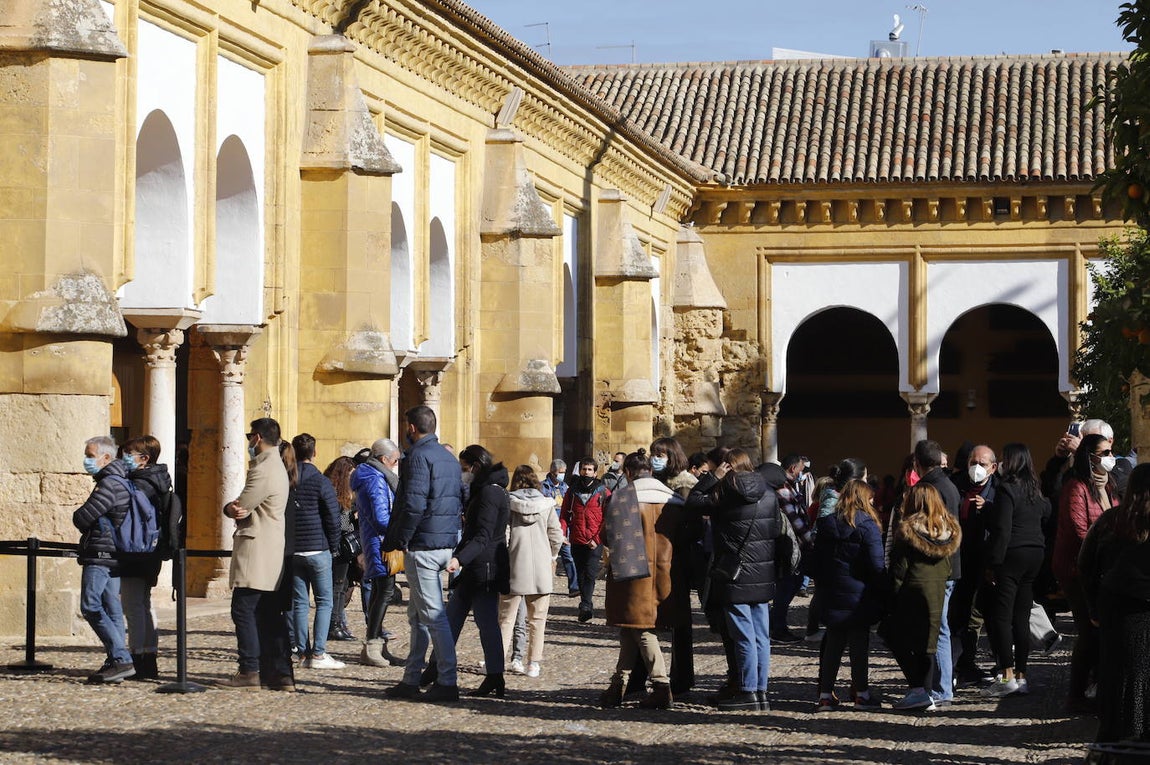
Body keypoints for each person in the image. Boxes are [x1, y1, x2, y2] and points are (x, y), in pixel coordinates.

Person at [686, 448, 781, 712]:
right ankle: (761, 691)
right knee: (761, 635)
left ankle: (748, 690)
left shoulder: (724, 494)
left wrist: (712, 477)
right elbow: (775, 530)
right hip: (762, 574)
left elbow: (693, 502)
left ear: (728, 467)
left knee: (743, 636)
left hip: (734, 574)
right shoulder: (770, 494)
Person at [382, 405, 463, 702]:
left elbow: (413, 504)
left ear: (412, 427)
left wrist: (399, 539)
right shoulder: (448, 458)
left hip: (424, 546)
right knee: (417, 615)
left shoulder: (417, 457)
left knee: (433, 615)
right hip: (444, 542)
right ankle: (411, 677)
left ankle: (447, 680)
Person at [599, 450, 683, 710]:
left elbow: (607, 535)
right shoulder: (674, 499)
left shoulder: (623, 498)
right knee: (631, 627)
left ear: (627, 472)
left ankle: (661, 685)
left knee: (642, 627)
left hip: (634, 573)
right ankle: (618, 684)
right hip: (667, 570)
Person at [218, 417, 291, 690]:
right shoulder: (275, 465)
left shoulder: (264, 468)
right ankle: (276, 672)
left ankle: (249, 669)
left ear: (257, 438)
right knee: (266, 612)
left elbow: (242, 505)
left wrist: (229, 508)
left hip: (257, 547)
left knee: (243, 610)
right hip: (267, 546)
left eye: (250, 437)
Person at [1079, 463, 1150, 742]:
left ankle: (1119, 735)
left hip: (1116, 604)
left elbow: (1086, 565)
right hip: (1128, 604)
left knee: (1118, 671)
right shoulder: (1112, 521)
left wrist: (1094, 606)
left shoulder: (1111, 521)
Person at [434, 445, 511, 697]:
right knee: (451, 618)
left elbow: (483, 535)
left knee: (486, 622)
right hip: (475, 566)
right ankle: (435, 667)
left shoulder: (490, 493)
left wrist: (459, 559)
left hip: (484, 567)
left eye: (463, 467)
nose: (461, 472)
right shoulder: (485, 490)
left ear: (475, 466)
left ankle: (495, 676)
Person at [1054, 432, 1119, 713]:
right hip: (1077, 569)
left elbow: (1115, 518)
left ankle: (1098, 685)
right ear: (1089, 456)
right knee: (1088, 632)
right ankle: (1076, 694)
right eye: (1103, 453)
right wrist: (1106, 552)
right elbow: (1079, 530)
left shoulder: (1109, 485)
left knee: (1102, 632)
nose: (1109, 458)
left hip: (1104, 569)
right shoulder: (1075, 486)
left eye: (1109, 452)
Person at [981, 443, 1050, 698]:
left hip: (1012, 554)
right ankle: (1022, 675)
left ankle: (1007, 674)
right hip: (1035, 553)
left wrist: (993, 563)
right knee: (1022, 616)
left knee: (1002, 616)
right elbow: (1047, 511)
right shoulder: (1035, 490)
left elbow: (1003, 530)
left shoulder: (1006, 490)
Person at [885, 483, 961, 711]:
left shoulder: (908, 531)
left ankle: (921, 690)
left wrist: (891, 597)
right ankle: (936, 690)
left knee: (900, 637)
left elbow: (898, 571)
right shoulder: (948, 531)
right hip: (937, 591)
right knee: (934, 638)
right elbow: (947, 568)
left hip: (912, 593)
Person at [813, 478, 886, 711]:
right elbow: (876, 564)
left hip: (833, 591)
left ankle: (825, 694)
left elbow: (818, 559)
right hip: (859, 593)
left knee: (833, 642)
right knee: (859, 644)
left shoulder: (826, 523)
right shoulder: (867, 525)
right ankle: (861, 693)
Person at [72, 435, 136, 684]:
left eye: (90, 455)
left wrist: (78, 516)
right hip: (113, 553)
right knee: (111, 607)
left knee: (90, 604)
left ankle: (121, 658)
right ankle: (116, 660)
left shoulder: (109, 484)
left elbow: (82, 517)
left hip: (101, 553)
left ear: (106, 457)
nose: (87, 460)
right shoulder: (120, 480)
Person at [500, 465, 564, 678]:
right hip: (540, 568)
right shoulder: (547, 506)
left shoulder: (509, 504)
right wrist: (552, 556)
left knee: (506, 619)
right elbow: (556, 536)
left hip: (514, 565)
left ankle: (497, 660)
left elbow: (504, 535)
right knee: (538, 620)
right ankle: (533, 663)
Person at [118, 435, 172, 681]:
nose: (123, 458)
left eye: (128, 454)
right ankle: (149, 656)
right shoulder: (159, 479)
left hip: (136, 550)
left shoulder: (141, 484)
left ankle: (139, 657)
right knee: (144, 604)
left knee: (133, 605)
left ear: (144, 459)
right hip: (151, 550)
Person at [650, 436, 701, 696]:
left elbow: (693, 524)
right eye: (653, 453)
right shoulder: (655, 483)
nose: (654, 458)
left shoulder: (685, 485)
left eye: (660, 454)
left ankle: (682, 677)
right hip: (656, 557)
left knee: (680, 620)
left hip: (677, 559)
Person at [288, 433, 343, 670]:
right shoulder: (320, 480)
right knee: (324, 601)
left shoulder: (286, 478)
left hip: (293, 548)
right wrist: (334, 545)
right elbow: (332, 516)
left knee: (299, 603)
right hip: (317, 547)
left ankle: (302, 653)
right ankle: (318, 653)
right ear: (315, 452)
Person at [914, 439, 961, 708]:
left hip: (938, 568)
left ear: (917, 463)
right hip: (951, 565)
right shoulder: (949, 485)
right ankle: (940, 685)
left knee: (938, 628)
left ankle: (942, 688)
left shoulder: (929, 488)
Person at [351, 438, 403, 668]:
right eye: (393, 461)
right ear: (383, 459)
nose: (394, 465)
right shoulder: (375, 479)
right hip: (380, 543)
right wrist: (401, 529)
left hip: (380, 542)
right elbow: (381, 518)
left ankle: (377, 644)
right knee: (383, 593)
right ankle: (372, 644)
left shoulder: (374, 476)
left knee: (381, 593)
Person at [951, 444, 998, 687]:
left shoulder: (998, 490)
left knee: (989, 614)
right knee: (964, 615)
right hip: (960, 559)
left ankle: (1001, 664)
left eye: (981, 463)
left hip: (987, 560)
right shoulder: (957, 485)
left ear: (993, 467)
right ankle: (965, 663)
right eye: (973, 462)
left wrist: (989, 510)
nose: (976, 468)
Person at [772, 454, 815, 643]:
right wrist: (810, 540)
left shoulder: (787, 487)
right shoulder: (783, 490)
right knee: (787, 587)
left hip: (795, 545)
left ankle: (776, 624)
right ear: (792, 469)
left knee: (791, 585)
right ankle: (777, 627)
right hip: (793, 547)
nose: (802, 473)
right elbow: (794, 520)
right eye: (800, 469)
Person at [561, 458, 611, 623]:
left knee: (590, 573)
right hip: (576, 538)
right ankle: (585, 604)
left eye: (590, 470)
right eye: (584, 469)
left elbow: (608, 518)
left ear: (595, 472)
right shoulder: (572, 491)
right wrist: (562, 533)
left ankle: (586, 605)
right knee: (581, 572)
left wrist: (597, 539)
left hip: (594, 540)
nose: (587, 472)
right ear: (580, 470)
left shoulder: (603, 492)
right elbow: (564, 514)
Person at [323, 455, 357, 642]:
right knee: (338, 586)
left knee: (339, 586)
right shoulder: (338, 494)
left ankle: (336, 624)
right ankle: (334, 625)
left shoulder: (329, 488)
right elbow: (342, 523)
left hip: (333, 544)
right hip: (338, 546)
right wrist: (354, 518)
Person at [542, 458, 577, 596]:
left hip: (563, 528)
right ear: (552, 472)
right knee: (548, 558)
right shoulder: (543, 487)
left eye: (564, 472)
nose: (562, 475)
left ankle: (574, 586)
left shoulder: (565, 487)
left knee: (568, 556)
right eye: (559, 472)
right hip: (548, 527)